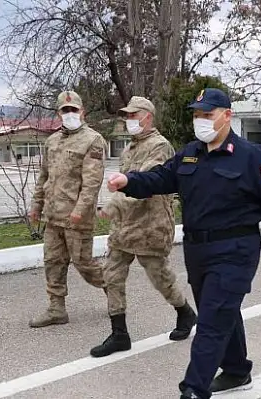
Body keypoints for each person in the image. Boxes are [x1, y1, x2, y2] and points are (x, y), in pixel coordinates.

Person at [105, 88, 261, 399]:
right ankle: (236, 371)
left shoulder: (251, 156)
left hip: (235, 249)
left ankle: (193, 389)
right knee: (222, 312)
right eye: (197, 115)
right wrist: (129, 182)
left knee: (210, 321)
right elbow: (161, 179)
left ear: (227, 116)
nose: (200, 121)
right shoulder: (190, 153)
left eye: (207, 115)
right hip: (198, 251)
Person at [90, 96, 196, 358]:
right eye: (127, 116)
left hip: (150, 226)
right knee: (111, 276)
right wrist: (113, 207)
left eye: (133, 116)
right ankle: (119, 334)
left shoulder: (160, 147)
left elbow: (145, 184)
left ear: (147, 117)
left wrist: (112, 206)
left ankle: (184, 312)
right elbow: (122, 184)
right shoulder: (128, 150)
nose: (129, 121)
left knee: (160, 278)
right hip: (124, 226)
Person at [28, 90, 107, 328]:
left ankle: (112, 288)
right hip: (54, 216)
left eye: (74, 110)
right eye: (65, 110)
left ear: (82, 112)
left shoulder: (92, 140)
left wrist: (80, 210)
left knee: (84, 264)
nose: (70, 114)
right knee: (53, 261)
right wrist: (36, 205)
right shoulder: (52, 142)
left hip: (77, 218)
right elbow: (44, 177)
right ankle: (56, 309)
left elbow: (92, 182)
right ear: (58, 113)